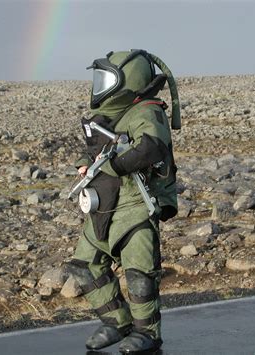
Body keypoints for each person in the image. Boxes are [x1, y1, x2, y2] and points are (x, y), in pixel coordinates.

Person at [66, 49, 181, 354]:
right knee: (84, 265)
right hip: (104, 204)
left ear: (128, 79)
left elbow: (151, 147)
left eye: (106, 78)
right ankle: (116, 322)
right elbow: (94, 147)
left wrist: (114, 165)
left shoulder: (147, 111)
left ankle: (148, 333)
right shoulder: (108, 116)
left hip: (135, 205)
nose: (100, 85)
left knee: (139, 273)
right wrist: (85, 162)